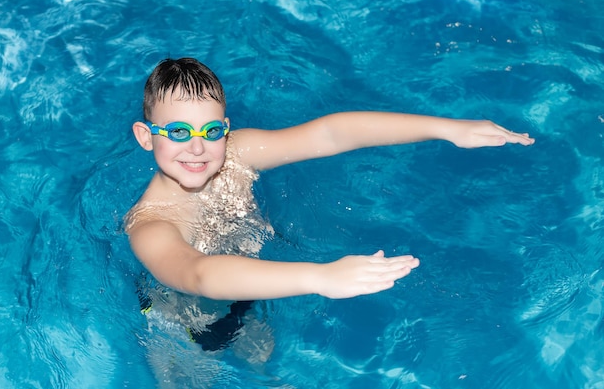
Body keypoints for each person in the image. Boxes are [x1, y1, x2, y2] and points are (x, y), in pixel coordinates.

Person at [125, 57, 534, 350]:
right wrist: (320, 277)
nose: (198, 147)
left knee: (263, 362)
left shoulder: (237, 153)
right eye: (178, 132)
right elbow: (198, 275)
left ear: (226, 131)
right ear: (146, 136)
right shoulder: (151, 224)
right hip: (184, 317)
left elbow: (331, 134)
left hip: (253, 287)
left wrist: (447, 128)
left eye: (211, 130)